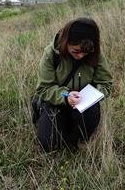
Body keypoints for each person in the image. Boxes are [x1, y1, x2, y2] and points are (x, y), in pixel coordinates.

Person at [33, 17, 112, 152]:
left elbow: (106, 85)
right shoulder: (51, 54)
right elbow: (44, 88)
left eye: (86, 52)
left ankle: (79, 137)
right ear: (65, 42)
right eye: (75, 51)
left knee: (87, 116)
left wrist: (90, 95)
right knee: (49, 144)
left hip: (85, 105)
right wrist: (66, 95)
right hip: (58, 102)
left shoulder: (96, 54)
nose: (80, 56)